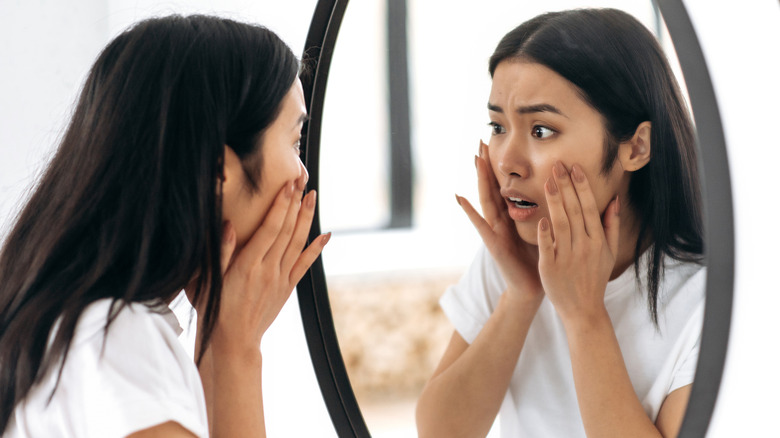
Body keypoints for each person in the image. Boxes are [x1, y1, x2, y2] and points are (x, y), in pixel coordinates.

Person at [0, 15, 329, 438]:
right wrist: (237, 352)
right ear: (216, 171)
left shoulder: (80, 326)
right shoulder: (117, 343)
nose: (302, 176)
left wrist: (223, 342)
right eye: (295, 141)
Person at [416, 8, 704, 438]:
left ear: (637, 146)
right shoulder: (511, 260)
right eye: (498, 125)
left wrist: (584, 316)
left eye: (541, 131)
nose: (506, 163)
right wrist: (521, 294)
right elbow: (441, 432)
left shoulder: (703, 300)